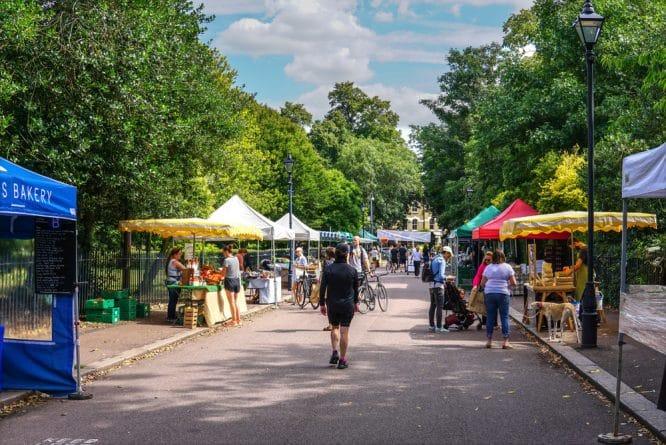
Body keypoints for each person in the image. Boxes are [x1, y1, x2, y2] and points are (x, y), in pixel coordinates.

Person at [319, 243, 360, 369]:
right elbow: (356, 289)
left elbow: (322, 287)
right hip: (347, 304)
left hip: (333, 303)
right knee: (344, 331)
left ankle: (334, 352)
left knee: (335, 328)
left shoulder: (329, 269)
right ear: (347, 254)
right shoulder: (352, 270)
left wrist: (322, 303)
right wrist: (356, 302)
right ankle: (342, 359)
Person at [480, 249, 516, 349]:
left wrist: (486, 287)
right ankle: (505, 342)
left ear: (493, 257)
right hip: (503, 293)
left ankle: (489, 341)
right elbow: (514, 283)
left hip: (490, 293)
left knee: (490, 316)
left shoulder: (488, 268)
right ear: (503, 256)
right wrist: (507, 286)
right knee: (504, 317)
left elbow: (482, 283)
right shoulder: (507, 267)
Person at [428, 247, 448, 333]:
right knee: (440, 306)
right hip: (438, 285)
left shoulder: (434, 258)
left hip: (431, 285)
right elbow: (441, 276)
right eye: (449, 255)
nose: (449, 257)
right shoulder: (442, 260)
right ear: (446, 253)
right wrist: (447, 278)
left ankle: (431, 325)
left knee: (433, 305)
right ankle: (439, 327)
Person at [221, 245, 242, 326]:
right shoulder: (236, 258)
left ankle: (233, 321)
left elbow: (223, 274)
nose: (223, 255)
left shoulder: (226, 260)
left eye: (223, 253)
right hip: (237, 281)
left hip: (229, 281)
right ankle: (238, 320)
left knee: (231, 302)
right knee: (236, 302)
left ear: (226, 252)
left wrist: (219, 271)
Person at [165, 247, 187, 322]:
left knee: (173, 300)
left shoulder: (171, 261)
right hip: (173, 282)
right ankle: (170, 317)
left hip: (172, 281)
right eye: (179, 254)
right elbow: (185, 269)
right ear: (174, 255)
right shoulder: (174, 261)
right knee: (173, 300)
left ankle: (171, 316)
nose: (180, 255)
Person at [321, 246, 337, 332]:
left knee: (329, 305)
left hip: (328, 286)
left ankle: (331, 324)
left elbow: (324, 275)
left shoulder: (326, 262)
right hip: (338, 286)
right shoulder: (338, 262)